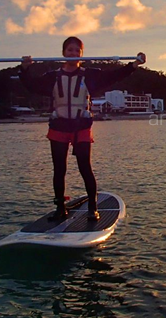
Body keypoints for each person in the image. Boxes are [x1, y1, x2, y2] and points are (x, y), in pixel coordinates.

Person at [20, 36, 146, 221]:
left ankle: (93, 208)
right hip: (59, 126)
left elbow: (114, 75)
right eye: (69, 50)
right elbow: (30, 84)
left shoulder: (90, 75)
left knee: (85, 168)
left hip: (81, 127)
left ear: (81, 55)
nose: (73, 53)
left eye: (76, 51)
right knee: (59, 169)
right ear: (64, 53)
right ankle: (60, 208)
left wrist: (134, 64)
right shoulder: (52, 77)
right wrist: (25, 68)